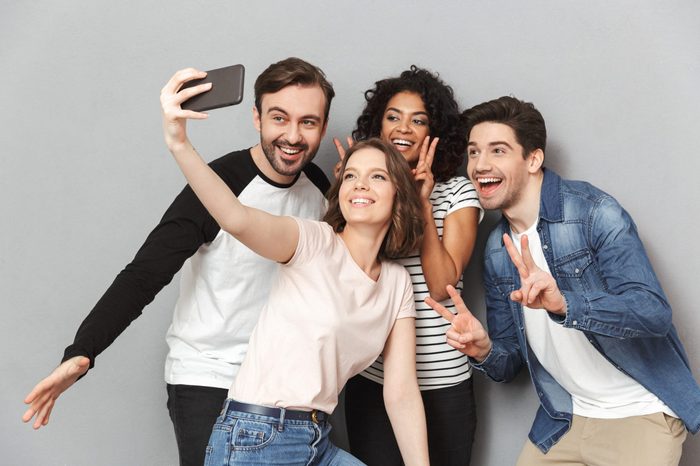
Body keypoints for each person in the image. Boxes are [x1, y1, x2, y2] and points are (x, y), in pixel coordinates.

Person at [22, 57, 335, 466]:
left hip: (279, 388)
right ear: (256, 117)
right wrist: (81, 352)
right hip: (208, 379)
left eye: (308, 122)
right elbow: (146, 272)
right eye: (279, 118)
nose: (292, 136)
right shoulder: (219, 183)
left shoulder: (322, 190)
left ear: (323, 128)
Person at [162, 67, 430, 465]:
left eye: (377, 176)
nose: (360, 185)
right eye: (352, 176)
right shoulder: (314, 242)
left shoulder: (395, 283)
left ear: (399, 195)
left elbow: (402, 391)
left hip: (316, 439)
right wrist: (179, 143)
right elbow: (237, 219)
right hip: (256, 437)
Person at [427, 96, 700, 465]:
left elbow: (652, 313)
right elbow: (509, 365)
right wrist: (484, 350)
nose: (480, 165)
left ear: (533, 159)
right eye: (474, 153)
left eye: (498, 150)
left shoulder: (593, 213)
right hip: (567, 418)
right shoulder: (497, 250)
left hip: (639, 413)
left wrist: (565, 304)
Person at [334, 66, 482, 465]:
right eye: (394, 116)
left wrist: (422, 202)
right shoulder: (369, 189)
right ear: (378, 125)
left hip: (442, 382)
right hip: (374, 379)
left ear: (435, 132)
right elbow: (339, 279)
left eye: (419, 120)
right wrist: (345, 202)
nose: (405, 128)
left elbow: (441, 286)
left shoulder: (456, 192)